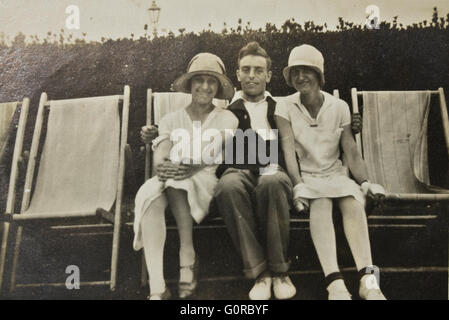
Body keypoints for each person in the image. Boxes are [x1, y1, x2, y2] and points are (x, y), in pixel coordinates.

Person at [275, 44, 387, 300]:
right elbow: (288, 147)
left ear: (319, 74)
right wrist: (298, 184)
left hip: (336, 175)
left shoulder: (339, 106)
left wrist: (366, 181)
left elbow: (350, 149)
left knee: (353, 202)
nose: (301, 77)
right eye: (295, 72)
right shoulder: (284, 106)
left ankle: (369, 281)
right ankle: (334, 283)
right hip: (307, 178)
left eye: (307, 70)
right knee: (321, 204)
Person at [134, 53, 238, 300]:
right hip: (173, 175)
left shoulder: (227, 118)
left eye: (211, 81)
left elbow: (214, 152)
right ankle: (158, 288)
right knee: (149, 197)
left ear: (218, 87)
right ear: (190, 85)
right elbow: (162, 149)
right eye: (199, 80)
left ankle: (187, 252)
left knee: (175, 181)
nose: (205, 86)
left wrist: (189, 167)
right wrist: (162, 166)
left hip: (204, 179)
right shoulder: (171, 118)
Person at [213, 42, 297, 300]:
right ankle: (260, 273)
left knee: (272, 182)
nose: (251, 75)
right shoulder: (223, 108)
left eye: (258, 70)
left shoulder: (282, 106)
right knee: (228, 187)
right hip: (238, 168)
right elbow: (192, 121)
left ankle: (280, 271)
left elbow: (315, 117)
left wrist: (353, 124)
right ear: (237, 74)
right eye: (246, 69)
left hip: (272, 167)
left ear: (268, 76)